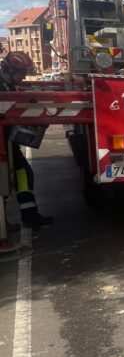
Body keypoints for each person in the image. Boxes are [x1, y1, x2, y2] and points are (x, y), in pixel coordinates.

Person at [0, 52, 53, 229]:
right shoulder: (2, 86)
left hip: (7, 142)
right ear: (9, 70)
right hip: (2, 143)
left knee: (22, 174)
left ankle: (28, 216)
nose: (23, 77)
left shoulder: (8, 85)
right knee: (6, 180)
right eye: (20, 73)